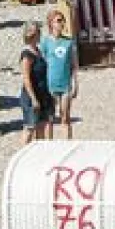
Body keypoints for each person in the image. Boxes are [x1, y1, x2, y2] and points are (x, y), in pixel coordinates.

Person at [41, 9, 78, 140]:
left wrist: (75, 83)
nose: (61, 23)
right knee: (49, 118)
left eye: (62, 20)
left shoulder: (68, 42)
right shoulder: (45, 42)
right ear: (51, 23)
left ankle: (67, 144)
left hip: (65, 84)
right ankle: (50, 146)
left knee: (65, 116)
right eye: (58, 20)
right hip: (50, 83)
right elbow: (43, 63)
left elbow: (73, 65)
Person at [17, 24, 52, 144]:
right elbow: (26, 79)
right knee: (29, 127)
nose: (39, 34)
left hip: (42, 92)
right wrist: (33, 98)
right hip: (31, 95)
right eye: (37, 32)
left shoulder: (38, 51)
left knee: (41, 126)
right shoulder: (27, 54)